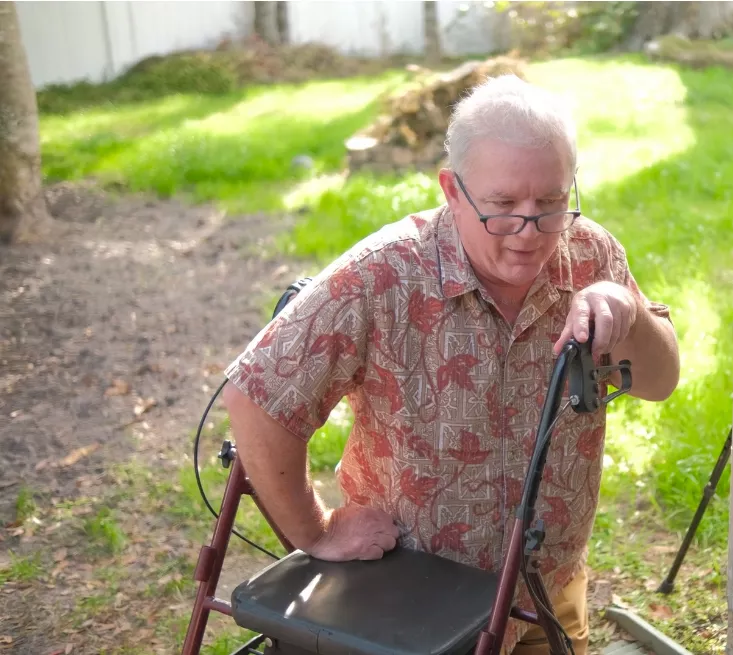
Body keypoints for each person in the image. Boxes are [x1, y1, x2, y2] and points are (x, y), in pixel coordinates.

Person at [220, 73, 680, 655]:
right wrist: (315, 530)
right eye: (503, 206)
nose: (529, 231)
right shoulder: (385, 274)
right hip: (415, 602)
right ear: (453, 190)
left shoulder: (590, 251)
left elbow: (661, 383)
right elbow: (255, 398)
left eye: (551, 203)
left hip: (548, 586)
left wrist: (630, 312)